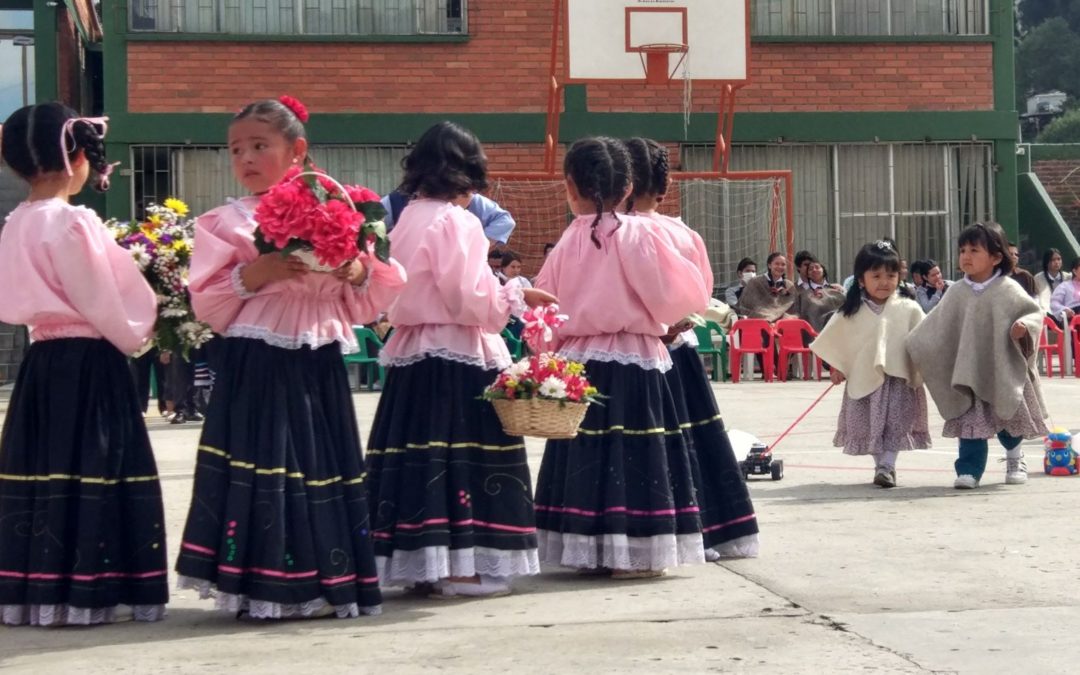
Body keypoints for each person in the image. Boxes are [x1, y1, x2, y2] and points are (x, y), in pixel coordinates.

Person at [175, 97, 405, 619]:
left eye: (260, 146)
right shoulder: (227, 222)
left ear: (297, 151)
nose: (247, 158)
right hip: (256, 359)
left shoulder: (337, 210)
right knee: (267, 466)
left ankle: (324, 581)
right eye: (237, 149)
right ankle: (262, 585)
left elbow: (370, 294)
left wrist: (356, 271)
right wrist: (259, 272)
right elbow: (208, 299)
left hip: (317, 357)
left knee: (319, 466)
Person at [365, 122, 555, 599]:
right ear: (468, 173)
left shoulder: (406, 218)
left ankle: (423, 565)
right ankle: (462, 568)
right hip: (457, 350)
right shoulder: (457, 221)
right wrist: (512, 295)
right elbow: (468, 296)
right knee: (463, 459)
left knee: (419, 457)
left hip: (413, 352)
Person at [0, 103, 168, 626]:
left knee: (46, 471)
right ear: (77, 157)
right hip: (90, 361)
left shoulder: (14, 223)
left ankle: (39, 590)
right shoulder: (74, 221)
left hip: (42, 361)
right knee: (96, 466)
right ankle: (93, 590)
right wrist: (140, 328)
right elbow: (105, 298)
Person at [532, 137, 711, 578]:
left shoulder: (567, 240)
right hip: (633, 357)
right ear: (629, 185)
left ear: (570, 186)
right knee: (635, 454)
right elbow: (676, 296)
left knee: (587, 455)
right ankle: (634, 553)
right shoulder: (638, 234)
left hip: (579, 358)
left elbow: (545, 308)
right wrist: (667, 320)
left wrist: (547, 354)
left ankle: (587, 548)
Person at [621, 137, 759, 558]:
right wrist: (677, 321)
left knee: (645, 445)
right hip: (677, 346)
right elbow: (699, 292)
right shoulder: (679, 230)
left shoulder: (614, 231)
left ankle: (642, 533)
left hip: (637, 347)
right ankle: (707, 529)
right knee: (691, 441)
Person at [907, 222, 1048, 489]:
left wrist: (1024, 327)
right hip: (968, 370)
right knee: (970, 424)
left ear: (996, 257)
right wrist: (913, 343)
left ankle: (1015, 458)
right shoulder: (957, 291)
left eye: (974, 250)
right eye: (962, 250)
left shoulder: (1008, 288)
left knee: (1008, 417)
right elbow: (934, 325)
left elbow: (1033, 314)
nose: (966, 256)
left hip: (1002, 368)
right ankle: (969, 469)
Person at [811, 242, 929, 488]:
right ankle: (881, 465)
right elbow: (838, 340)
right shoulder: (851, 311)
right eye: (876, 276)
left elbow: (924, 338)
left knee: (896, 424)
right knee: (868, 424)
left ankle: (887, 464)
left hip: (898, 380)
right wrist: (837, 366)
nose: (884, 281)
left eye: (891, 275)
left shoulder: (908, 308)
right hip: (864, 380)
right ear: (861, 280)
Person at [382, 190, 516, 245]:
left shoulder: (470, 198)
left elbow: (504, 220)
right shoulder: (396, 201)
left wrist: (479, 246)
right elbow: (368, 226)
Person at [736, 252, 797, 322]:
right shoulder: (755, 282)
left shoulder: (789, 285)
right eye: (777, 264)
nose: (780, 267)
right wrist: (767, 316)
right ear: (769, 265)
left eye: (783, 264)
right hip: (759, 323)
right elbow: (746, 305)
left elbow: (794, 308)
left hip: (783, 324)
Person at [791, 259, 846, 333]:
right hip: (817, 332)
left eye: (817, 267)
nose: (814, 270)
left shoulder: (837, 289)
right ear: (808, 275)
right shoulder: (804, 294)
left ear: (823, 270)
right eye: (811, 269)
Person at [1035, 248, 1070, 313]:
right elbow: (1036, 299)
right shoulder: (1038, 279)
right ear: (1046, 262)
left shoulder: (1068, 277)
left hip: (1067, 313)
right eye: (1052, 260)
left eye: (1059, 259)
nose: (1057, 262)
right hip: (1047, 314)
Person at [1049, 257, 1080, 324]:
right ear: (1074, 271)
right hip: (1074, 315)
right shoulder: (1065, 286)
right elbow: (1054, 303)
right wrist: (1064, 309)